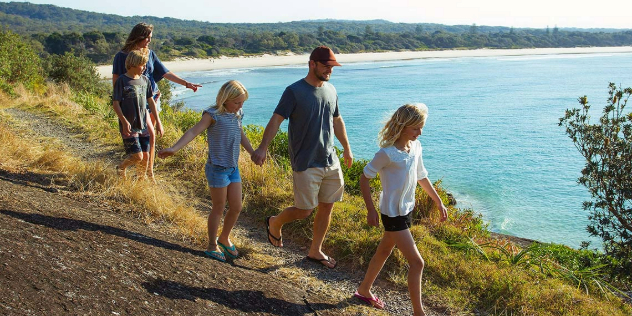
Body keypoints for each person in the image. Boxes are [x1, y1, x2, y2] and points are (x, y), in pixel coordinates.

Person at [251, 46, 353, 269]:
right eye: (326, 66)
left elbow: (337, 120)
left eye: (332, 67)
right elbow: (277, 120)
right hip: (306, 162)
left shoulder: (331, 90)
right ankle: (275, 222)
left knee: (327, 206)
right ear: (312, 64)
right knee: (305, 210)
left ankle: (315, 250)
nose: (329, 71)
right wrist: (262, 148)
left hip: (330, 159)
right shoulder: (294, 91)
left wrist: (346, 148)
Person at [354, 103, 448, 315]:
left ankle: (364, 290)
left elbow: (421, 175)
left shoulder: (416, 147)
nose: (420, 132)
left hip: (407, 210)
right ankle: (418, 312)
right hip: (392, 214)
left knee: (384, 250)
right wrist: (370, 210)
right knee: (417, 263)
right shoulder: (387, 153)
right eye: (415, 128)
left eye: (421, 127)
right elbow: (364, 178)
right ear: (403, 126)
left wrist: (438, 201)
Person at [157, 80, 254, 262]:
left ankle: (224, 238)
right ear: (225, 99)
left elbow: (240, 134)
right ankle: (212, 245)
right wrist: (174, 148)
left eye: (242, 103)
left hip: (233, 168)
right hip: (217, 169)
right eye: (237, 102)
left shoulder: (237, 114)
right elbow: (194, 132)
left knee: (236, 207)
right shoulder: (212, 115)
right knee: (218, 208)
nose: (240, 106)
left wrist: (253, 152)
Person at [112, 22, 202, 181]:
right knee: (143, 136)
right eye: (146, 38)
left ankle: (147, 173)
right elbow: (116, 82)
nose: (149, 41)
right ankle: (137, 169)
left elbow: (165, 73)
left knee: (149, 138)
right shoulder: (122, 56)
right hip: (132, 103)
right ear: (138, 36)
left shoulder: (150, 54)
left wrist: (186, 84)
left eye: (150, 38)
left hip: (151, 99)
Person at [112, 49, 164, 178]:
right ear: (133, 64)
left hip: (143, 124)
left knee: (145, 156)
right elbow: (116, 103)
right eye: (142, 65)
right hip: (129, 125)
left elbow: (151, 101)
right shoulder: (122, 81)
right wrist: (124, 121)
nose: (145, 68)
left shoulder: (145, 80)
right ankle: (121, 168)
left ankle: (141, 183)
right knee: (137, 156)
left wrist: (158, 122)